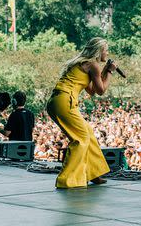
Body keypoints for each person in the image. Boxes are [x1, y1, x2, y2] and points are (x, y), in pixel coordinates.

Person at [46, 37, 116, 189]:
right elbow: (101, 91)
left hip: (57, 101)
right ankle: (66, 180)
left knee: (88, 132)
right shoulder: (93, 65)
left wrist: (104, 71)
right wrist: (109, 72)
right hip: (65, 101)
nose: (108, 52)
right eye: (106, 50)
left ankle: (94, 173)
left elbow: (91, 90)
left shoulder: (84, 63)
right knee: (80, 139)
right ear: (99, 51)